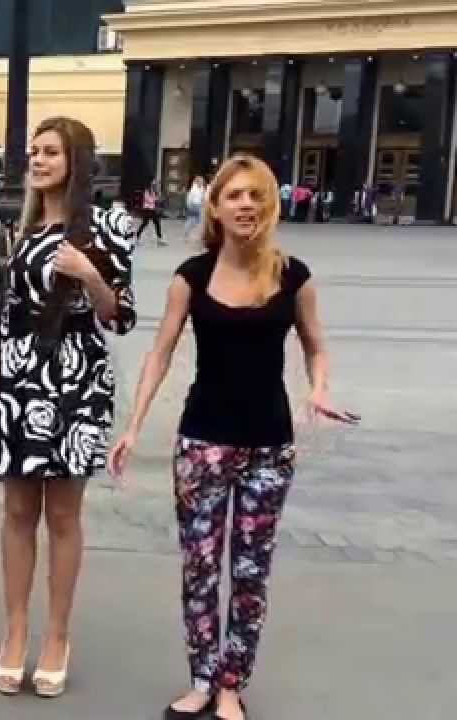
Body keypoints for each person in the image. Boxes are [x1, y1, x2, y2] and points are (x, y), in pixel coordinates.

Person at [108, 153, 356, 720]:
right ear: (214, 207)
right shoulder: (192, 277)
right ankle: (201, 679)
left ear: (270, 206)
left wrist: (318, 389)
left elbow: (316, 346)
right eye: (234, 195)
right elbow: (160, 352)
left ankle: (229, 685)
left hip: (269, 444)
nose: (245, 205)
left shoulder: (294, 276)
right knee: (200, 567)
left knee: (249, 572)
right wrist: (134, 426)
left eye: (256, 195)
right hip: (204, 441)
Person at [0, 116, 137, 699]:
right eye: (34, 152)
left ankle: (57, 636)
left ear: (77, 161)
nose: (38, 161)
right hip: (19, 380)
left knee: (63, 516)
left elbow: (119, 317)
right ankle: (16, 630)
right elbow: (7, 312)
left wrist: (89, 274)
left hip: (75, 379)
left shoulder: (108, 226)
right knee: (17, 511)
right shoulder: (19, 231)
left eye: (51, 152)